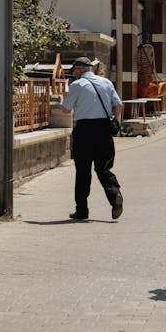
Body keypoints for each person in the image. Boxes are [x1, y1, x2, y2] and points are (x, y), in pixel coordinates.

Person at [62, 57, 123, 221]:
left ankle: (82, 210)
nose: (73, 74)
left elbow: (66, 110)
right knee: (104, 168)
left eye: (74, 70)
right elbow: (118, 106)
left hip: (84, 131)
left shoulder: (76, 85)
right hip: (104, 130)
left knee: (83, 171)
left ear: (80, 70)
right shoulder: (106, 82)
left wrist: (67, 94)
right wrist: (115, 122)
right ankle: (115, 194)